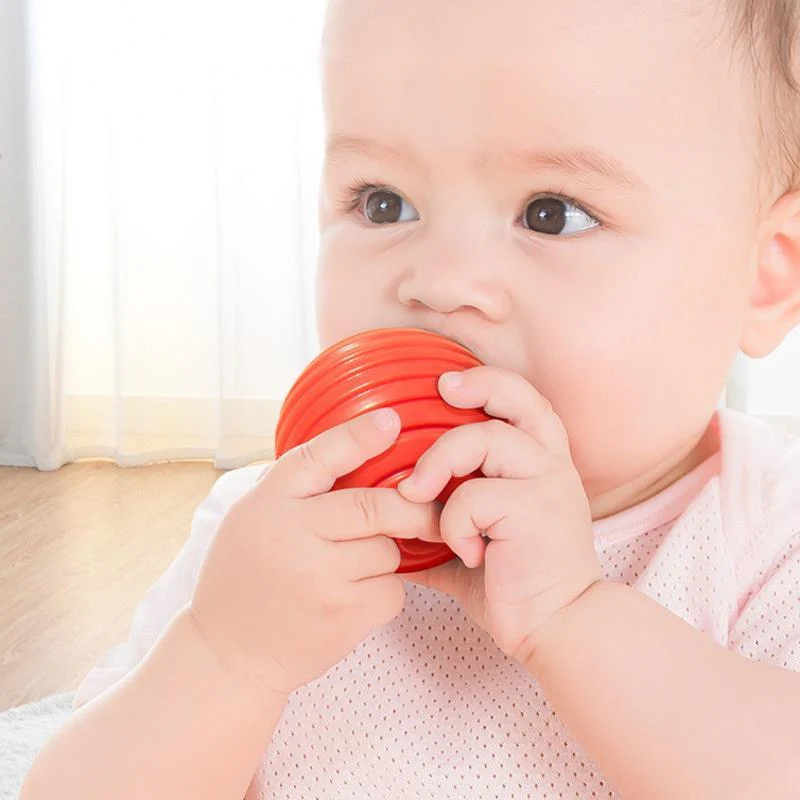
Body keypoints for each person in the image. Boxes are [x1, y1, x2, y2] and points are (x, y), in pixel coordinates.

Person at [21, 1, 800, 797]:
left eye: (551, 214)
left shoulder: (765, 537)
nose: (437, 282)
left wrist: (572, 615)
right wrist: (225, 657)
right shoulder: (271, 539)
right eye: (381, 202)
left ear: (766, 274)